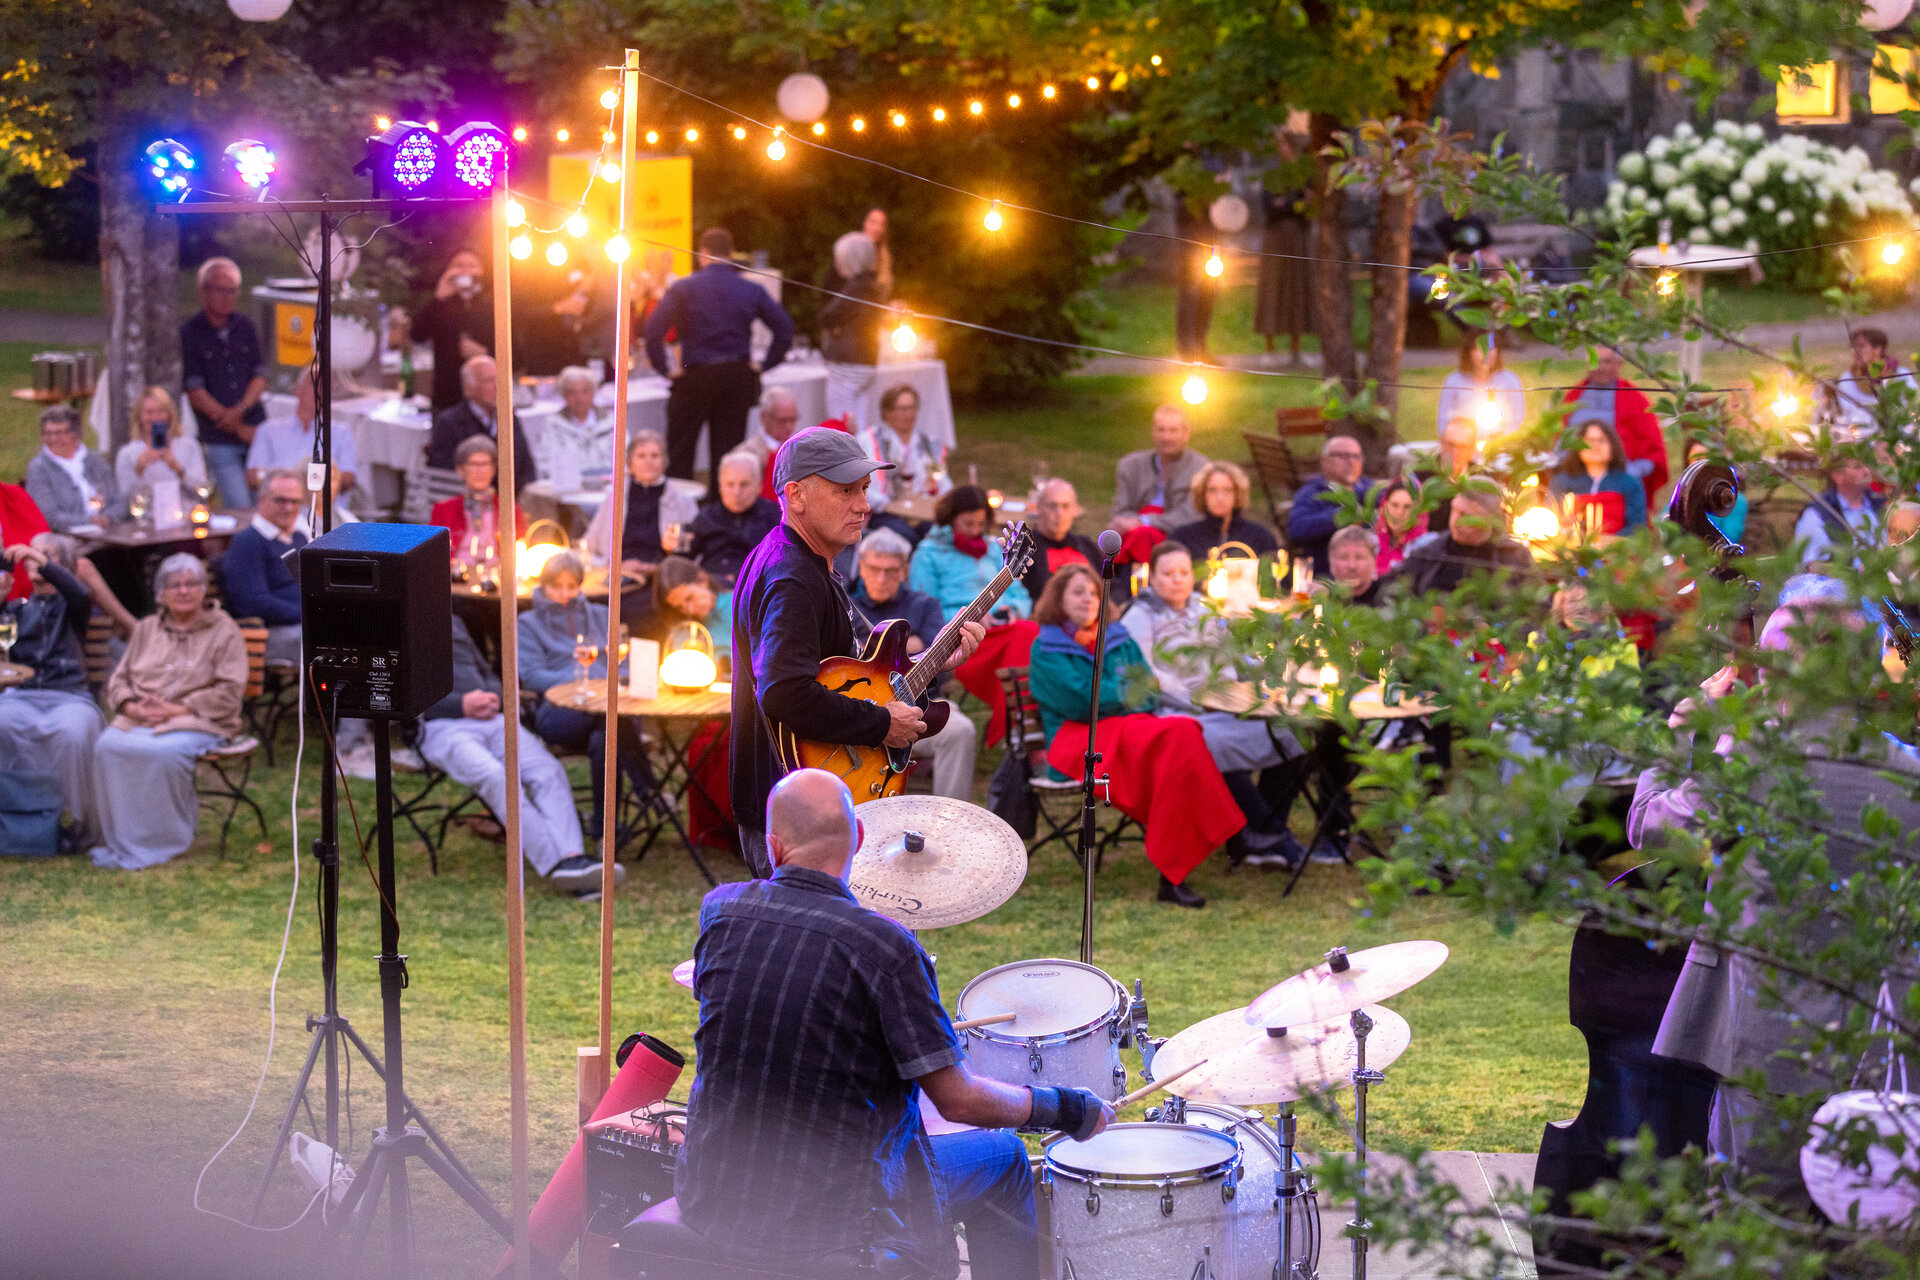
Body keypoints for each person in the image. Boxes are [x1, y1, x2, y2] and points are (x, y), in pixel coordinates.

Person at [671, 768, 1105, 1277]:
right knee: (1005, 1158)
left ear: (772, 845)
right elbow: (958, 1100)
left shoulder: (720, 912)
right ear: (858, 837)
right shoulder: (885, 949)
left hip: (713, 1196)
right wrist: (1068, 1107)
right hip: (833, 1221)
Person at [1632, 578, 1918, 1209]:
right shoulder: (1908, 772)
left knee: (1758, 1221)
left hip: (1766, 1044)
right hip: (1879, 1048)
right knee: (1869, 1233)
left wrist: (1679, 731)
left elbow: (1648, 823)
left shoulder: (1751, 769)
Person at [729, 427, 984, 877]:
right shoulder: (792, 577)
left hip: (808, 801)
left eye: (864, 489)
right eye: (845, 490)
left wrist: (931, 661)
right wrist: (882, 724)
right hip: (795, 814)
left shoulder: (806, 563)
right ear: (796, 495)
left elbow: (848, 673)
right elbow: (784, 691)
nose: (864, 505)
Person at [1027, 562, 1255, 907]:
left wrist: (1119, 694)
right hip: (1075, 741)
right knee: (1177, 735)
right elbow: (1080, 702)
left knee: (1181, 734)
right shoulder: (1046, 647)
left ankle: (1179, 869)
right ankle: (1230, 832)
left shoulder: (1117, 637)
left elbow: (1149, 690)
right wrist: (1124, 692)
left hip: (1127, 729)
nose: (1088, 599)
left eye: (1094, 593)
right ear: (1058, 599)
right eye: (1077, 593)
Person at [1118, 541, 1305, 867]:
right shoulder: (1140, 616)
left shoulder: (1202, 608)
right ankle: (1269, 836)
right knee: (1212, 746)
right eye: (1168, 573)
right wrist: (1199, 696)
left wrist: (1255, 672)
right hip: (1177, 713)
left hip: (1225, 705)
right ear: (1153, 578)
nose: (1177, 579)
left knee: (1291, 734)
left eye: (1183, 572)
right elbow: (1144, 673)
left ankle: (1262, 829)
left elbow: (1227, 656)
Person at [419, 614, 608, 897]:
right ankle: (561, 866)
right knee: (496, 777)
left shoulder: (452, 620)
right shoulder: (398, 623)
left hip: (490, 718)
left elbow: (486, 671)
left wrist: (493, 695)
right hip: (440, 726)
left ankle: (573, 855)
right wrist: (461, 705)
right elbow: (402, 697)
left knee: (548, 769)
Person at [89, 554, 247, 869]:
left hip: (198, 720)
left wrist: (176, 710)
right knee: (107, 745)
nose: (184, 591)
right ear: (161, 593)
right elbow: (119, 680)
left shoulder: (224, 630)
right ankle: (122, 836)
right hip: (141, 717)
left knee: (163, 752)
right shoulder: (147, 628)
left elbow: (229, 691)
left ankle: (162, 839)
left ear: (204, 590)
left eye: (191, 583)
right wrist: (132, 706)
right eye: (175, 585)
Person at [642, 227, 796, 500]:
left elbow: (653, 329)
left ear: (702, 253)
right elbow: (785, 329)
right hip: (736, 375)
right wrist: (765, 364)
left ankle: (680, 512)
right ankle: (724, 512)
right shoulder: (750, 288)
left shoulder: (684, 287)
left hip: (695, 375)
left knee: (680, 451)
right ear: (731, 253)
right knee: (727, 454)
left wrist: (664, 369)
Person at [518, 551, 652, 840]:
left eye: (571, 586)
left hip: (605, 710)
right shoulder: (528, 623)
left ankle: (605, 831)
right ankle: (649, 791)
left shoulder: (601, 615)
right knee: (613, 721)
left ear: (580, 585)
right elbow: (531, 675)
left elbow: (625, 663)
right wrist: (581, 681)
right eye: (556, 586)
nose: (564, 594)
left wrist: (614, 683)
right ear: (543, 584)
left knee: (605, 736)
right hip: (558, 712)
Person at [849, 528, 977, 802]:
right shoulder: (848, 605)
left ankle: (949, 819)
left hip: (923, 707)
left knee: (961, 730)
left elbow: (937, 654)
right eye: (874, 569)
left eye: (891, 571)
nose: (882, 578)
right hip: (863, 710)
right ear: (861, 567)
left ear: (905, 571)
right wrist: (908, 645)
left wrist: (874, 650)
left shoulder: (925, 605)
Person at [0, 539, 105, 845]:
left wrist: (36, 556)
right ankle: (16, 817)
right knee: (2, 723)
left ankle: (81, 820)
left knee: (73, 732)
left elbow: (79, 591)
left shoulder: (74, 606)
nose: (35, 560)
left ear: (65, 567)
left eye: (48, 556)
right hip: (22, 697)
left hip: (69, 696)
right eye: (33, 556)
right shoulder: (16, 609)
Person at [181, 257, 268, 508]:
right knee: (239, 505)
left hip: (255, 430)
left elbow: (260, 376)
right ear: (203, 291)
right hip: (218, 435)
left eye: (232, 290)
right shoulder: (190, 333)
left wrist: (240, 411)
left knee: (265, 501)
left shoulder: (246, 327)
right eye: (221, 290)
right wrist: (230, 422)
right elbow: (194, 389)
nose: (227, 297)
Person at [582, 430, 701, 587]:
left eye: (655, 456)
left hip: (663, 578)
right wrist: (613, 567)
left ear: (664, 462)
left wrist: (650, 568)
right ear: (630, 463)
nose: (648, 461)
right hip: (616, 575)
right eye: (641, 456)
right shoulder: (615, 498)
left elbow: (694, 555)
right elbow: (589, 544)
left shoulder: (682, 502)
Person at [1562, 346, 1670, 509]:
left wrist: (1632, 470)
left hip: (1618, 478)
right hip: (1574, 474)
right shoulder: (1572, 397)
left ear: (1619, 364)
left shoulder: (1636, 400)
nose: (1600, 367)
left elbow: (1654, 453)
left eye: (1607, 362)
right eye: (1595, 362)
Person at [908, 485, 1032, 623]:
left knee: (1032, 629)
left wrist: (1013, 611)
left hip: (1001, 625)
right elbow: (924, 612)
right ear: (950, 519)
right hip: (958, 629)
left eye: (981, 524)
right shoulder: (928, 554)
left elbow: (1019, 594)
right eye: (968, 524)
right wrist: (970, 619)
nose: (975, 531)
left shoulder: (992, 548)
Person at [1385, 485, 1535, 598]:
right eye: (1454, 510)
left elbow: (1534, 606)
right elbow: (1393, 589)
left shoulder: (1514, 556)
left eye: (1465, 514)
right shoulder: (1429, 551)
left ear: (1488, 519)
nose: (1455, 520)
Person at [223, 470, 308, 664]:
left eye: (295, 501)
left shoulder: (298, 537)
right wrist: (307, 613)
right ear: (261, 500)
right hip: (271, 633)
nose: (289, 508)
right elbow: (253, 602)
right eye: (281, 500)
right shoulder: (247, 542)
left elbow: (305, 585)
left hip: (303, 623)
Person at [426, 355, 537, 490]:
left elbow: (526, 466)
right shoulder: (450, 422)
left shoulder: (508, 416)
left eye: (500, 379)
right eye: (489, 381)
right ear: (469, 389)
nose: (497, 386)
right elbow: (446, 474)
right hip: (469, 497)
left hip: (511, 497)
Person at [413, 248, 495, 413]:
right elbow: (417, 335)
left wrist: (485, 353)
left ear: (482, 272)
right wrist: (438, 298)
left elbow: (517, 356)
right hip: (447, 399)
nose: (465, 271)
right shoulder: (441, 306)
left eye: (471, 266)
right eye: (459, 266)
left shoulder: (492, 306)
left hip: (486, 402)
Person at [247, 367, 352, 497]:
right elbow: (253, 476)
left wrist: (298, 481)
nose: (319, 390)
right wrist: (294, 483)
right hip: (280, 503)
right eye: (314, 384)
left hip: (321, 505)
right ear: (297, 388)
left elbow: (347, 478)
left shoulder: (341, 433)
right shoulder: (268, 430)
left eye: (326, 386)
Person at [431, 437, 528, 572]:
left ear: (494, 468)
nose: (480, 471)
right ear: (460, 469)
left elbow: (521, 548)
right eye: (473, 464)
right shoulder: (444, 509)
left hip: (496, 573)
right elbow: (434, 552)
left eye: (485, 464)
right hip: (456, 574)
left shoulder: (510, 510)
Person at [1253, 148, 1313, 364]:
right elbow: (1269, 207)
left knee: (1297, 290)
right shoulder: (1272, 177)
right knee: (1272, 289)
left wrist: (1287, 205)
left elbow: (1307, 207)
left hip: (1298, 240)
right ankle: (1269, 349)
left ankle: (1295, 349)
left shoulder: (1305, 176)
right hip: (1275, 240)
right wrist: (1291, 206)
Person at [818, 232, 883, 425]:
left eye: (840, 258)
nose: (836, 263)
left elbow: (827, 316)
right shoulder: (872, 285)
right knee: (858, 423)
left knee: (842, 425)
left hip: (848, 363)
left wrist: (834, 325)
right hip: (865, 361)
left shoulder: (857, 287)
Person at [1111, 405, 1209, 534]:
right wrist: (1135, 524)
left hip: (1179, 536)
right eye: (1160, 430)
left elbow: (1191, 515)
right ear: (1153, 432)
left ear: (1186, 434)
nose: (1166, 437)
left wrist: (1145, 521)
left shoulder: (1200, 467)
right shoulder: (1130, 465)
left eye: (1173, 431)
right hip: (1134, 534)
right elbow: (1120, 513)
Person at [689, 451, 780, 587]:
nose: (736, 492)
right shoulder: (708, 515)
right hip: (711, 588)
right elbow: (683, 556)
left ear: (758, 486)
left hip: (756, 587)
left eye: (744, 484)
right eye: (730, 484)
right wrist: (669, 548)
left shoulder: (775, 516)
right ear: (720, 487)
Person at [26, 405, 121, 531]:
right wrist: (90, 521)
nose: (53, 439)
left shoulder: (95, 460)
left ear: (75, 435)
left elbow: (119, 501)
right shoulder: (39, 468)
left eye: (59, 433)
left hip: (110, 530)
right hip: (66, 535)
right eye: (48, 434)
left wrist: (108, 518)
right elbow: (49, 517)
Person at [1287, 435, 1373, 575]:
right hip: (1327, 574)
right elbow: (1297, 528)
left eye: (1356, 456)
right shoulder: (1312, 493)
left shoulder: (1372, 491)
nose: (1351, 462)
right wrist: (1339, 517)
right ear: (1325, 461)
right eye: (1343, 456)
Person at [1169, 460, 1280, 563]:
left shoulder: (1260, 537)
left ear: (1237, 494)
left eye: (1227, 490)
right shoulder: (1182, 538)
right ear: (1202, 494)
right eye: (1212, 490)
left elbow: (1279, 575)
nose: (1220, 498)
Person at [1549, 420, 1649, 535]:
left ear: (1613, 446)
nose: (1595, 446)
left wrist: (1610, 542)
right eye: (1589, 441)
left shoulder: (1630, 483)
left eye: (1601, 440)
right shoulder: (1561, 482)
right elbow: (1550, 521)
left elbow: (1637, 527)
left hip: (1618, 545)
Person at [858, 384, 948, 502]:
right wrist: (886, 505)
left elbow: (943, 483)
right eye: (903, 409)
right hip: (884, 508)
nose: (909, 414)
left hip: (924, 507)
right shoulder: (870, 440)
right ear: (887, 413)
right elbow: (862, 487)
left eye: (912, 408)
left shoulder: (930, 443)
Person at [1792, 453, 1885, 568]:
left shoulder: (1879, 504)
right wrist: (1853, 573)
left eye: (1866, 465)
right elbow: (1811, 565)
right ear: (1838, 476)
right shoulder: (1818, 514)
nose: (1866, 471)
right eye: (1857, 467)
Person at [119, 385, 209, 498]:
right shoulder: (127, 454)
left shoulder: (189, 447)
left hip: (185, 508)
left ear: (169, 414)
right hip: (149, 509)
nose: (155, 417)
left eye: (161, 411)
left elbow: (203, 490)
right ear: (139, 416)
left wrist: (179, 470)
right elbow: (125, 497)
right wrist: (139, 470)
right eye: (149, 412)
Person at [1020, 478, 1099, 603]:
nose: (1059, 513)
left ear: (1075, 510)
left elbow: (1114, 587)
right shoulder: (1025, 549)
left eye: (1065, 506)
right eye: (1052, 506)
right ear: (1039, 507)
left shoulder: (1086, 545)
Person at [1436, 333, 1525, 443]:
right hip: (1464, 444)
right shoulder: (1454, 381)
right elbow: (1443, 422)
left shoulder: (1509, 380)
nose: (1485, 353)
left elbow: (1517, 421)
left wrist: (1501, 440)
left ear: (1497, 351)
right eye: (1479, 348)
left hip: (1500, 444)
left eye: (1490, 348)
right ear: (1469, 352)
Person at [1831, 326, 1917, 434]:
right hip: (1864, 434)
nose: (1854, 351)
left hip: (1901, 432)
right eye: (1852, 347)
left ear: (1878, 349)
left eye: (1861, 346)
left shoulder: (1901, 374)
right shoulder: (1848, 379)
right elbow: (1850, 414)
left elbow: (1913, 403)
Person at [537, 365, 615, 484]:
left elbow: (625, 458)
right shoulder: (552, 424)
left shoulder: (610, 421)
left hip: (608, 486)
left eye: (585, 391)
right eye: (572, 392)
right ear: (564, 395)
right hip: (569, 488)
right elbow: (545, 464)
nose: (579, 398)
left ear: (593, 393)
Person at [1683, 441, 1748, 547]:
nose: (1704, 465)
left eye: (1708, 459)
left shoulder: (1735, 500)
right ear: (1688, 464)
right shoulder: (1683, 495)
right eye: (1698, 460)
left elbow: (1730, 537)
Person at [743, 386, 802, 501]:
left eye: (792, 419)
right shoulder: (748, 453)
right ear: (764, 417)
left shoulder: (801, 446)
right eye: (782, 420)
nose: (789, 426)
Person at [1373, 479, 1428, 576]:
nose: (1399, 513)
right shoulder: (1370, 543)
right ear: (1385, 506)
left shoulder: (1425, 549)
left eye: (1407, 507)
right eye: (1394, 505)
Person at [1327, 523, 1387, 606]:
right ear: (1331, 563)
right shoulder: (1322, 601)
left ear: (1374, 561)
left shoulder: (1388, 599)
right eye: (1344, 558)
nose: (1352, 566)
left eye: (1359, 557)